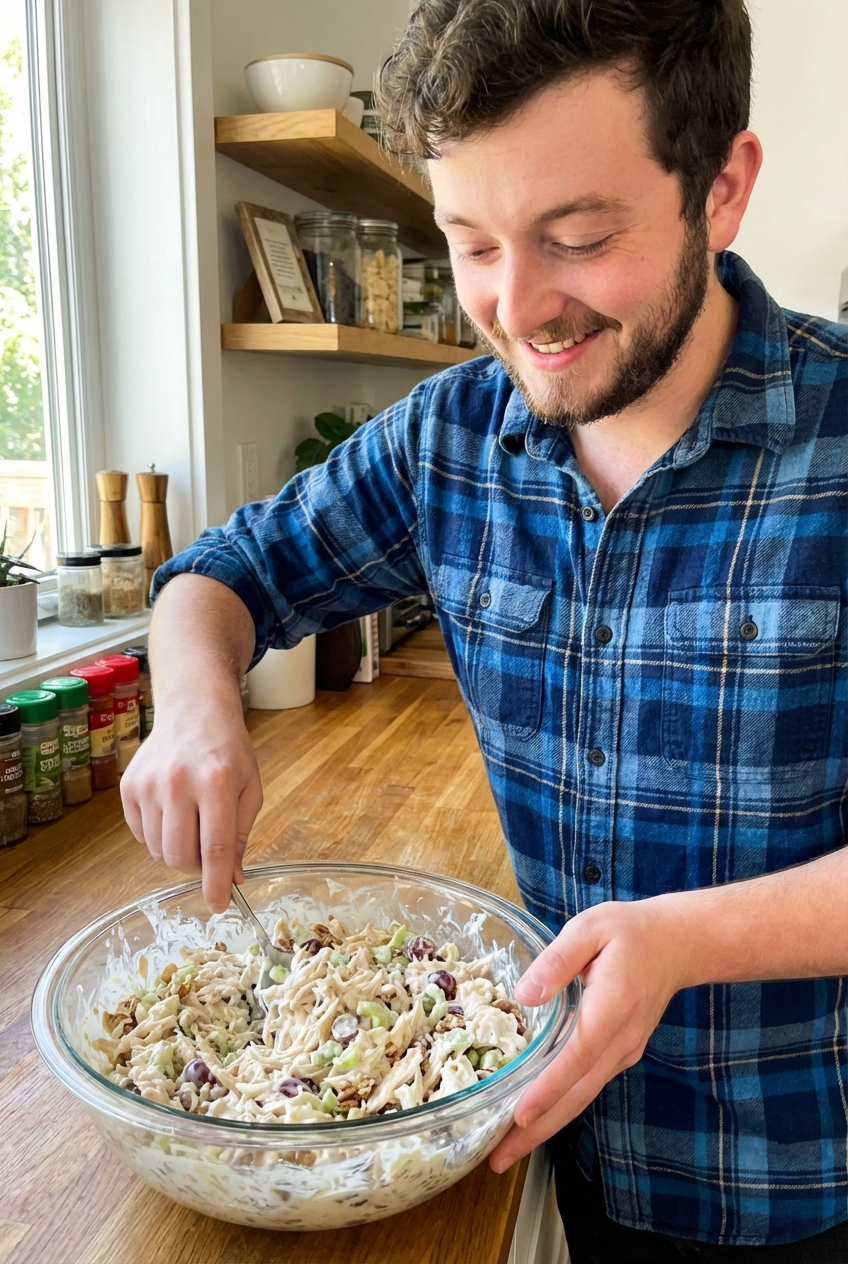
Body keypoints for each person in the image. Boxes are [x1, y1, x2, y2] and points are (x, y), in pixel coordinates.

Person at [121, 1, 848, 1258]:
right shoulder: (446, 443)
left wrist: (690, 939)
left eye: (575, 238)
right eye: (467, 243)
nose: (517, 309)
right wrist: (193, 705)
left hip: (794, 1176)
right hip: (537, 1130)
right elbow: (218, 574)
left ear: (719, 188)